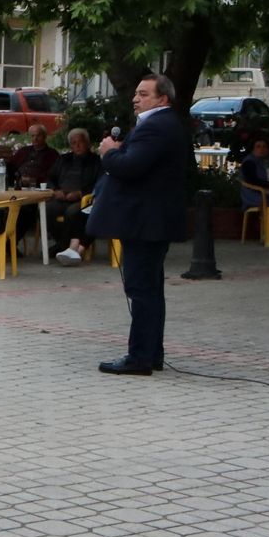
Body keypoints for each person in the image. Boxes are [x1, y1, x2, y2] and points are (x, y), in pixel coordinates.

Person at [89, 74, 189, 376]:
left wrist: (109, 152)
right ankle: (151, 353)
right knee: (150, 289)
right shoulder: (165, 124)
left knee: (141, 289)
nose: (136, 98)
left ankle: (140, 358)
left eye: (144, 94)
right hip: (151, 220)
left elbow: (130, 167)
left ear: (163, 99)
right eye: (136, 93)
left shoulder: (157, 126)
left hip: (145, 222)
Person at [50, 128, 106, 264]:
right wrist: (55, 190)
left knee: (73, 212)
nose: (77, 146)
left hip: (83, 198)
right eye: (74, 143)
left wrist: (80, 193)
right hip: (62, 196)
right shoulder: (63, 159)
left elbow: (99, 183)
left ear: (88, 143)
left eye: (80, 142)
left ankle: (66, 248)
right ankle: (63, 245)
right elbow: (51, 177)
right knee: (48, 209)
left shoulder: (96, 162)